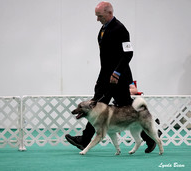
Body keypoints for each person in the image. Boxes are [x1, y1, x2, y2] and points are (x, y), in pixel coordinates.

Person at [65, 1, 156, 153]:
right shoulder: (103, 29)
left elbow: (128, 53)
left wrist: (117, 73)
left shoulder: (121, 29)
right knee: (94, 105)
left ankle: (150, 138)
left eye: (99, 16)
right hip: (106, 77)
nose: (97, 19)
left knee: (128, 109)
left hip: (118, 78)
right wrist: (102, 78)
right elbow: (106, 58)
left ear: (109, 13)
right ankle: (84, 140)